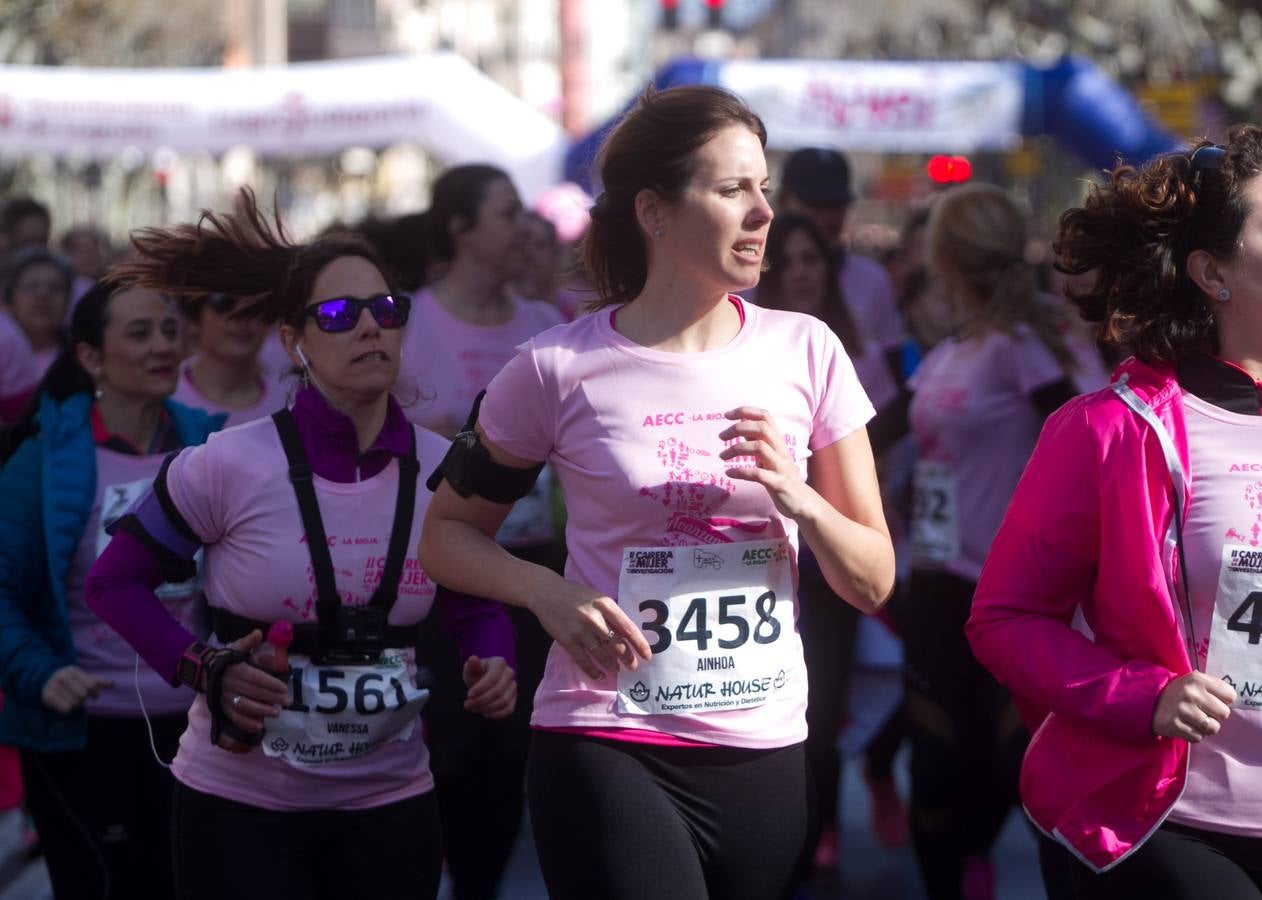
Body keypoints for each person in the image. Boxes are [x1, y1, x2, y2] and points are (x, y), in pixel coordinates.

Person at [418, 84, 894, 900]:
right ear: (655, 211)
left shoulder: (808, 351)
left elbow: (873, 580)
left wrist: (802, 500)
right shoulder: (553, 368)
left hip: (765, 745)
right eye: (732, 189)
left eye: (765, 190)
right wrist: (544, 592)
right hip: (608, 737)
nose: (763, 213)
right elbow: (445, 537)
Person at [83, 191, 518, 900]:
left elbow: (475, 603)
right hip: (240, 806)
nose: (370, 328)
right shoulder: (227, 462)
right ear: (293, 341)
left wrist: (493, 660)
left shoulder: (447, 470)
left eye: (387, 309)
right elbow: (114, 582)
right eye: (340, 315)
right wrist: (202, 667)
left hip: (390, 803)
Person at [968, 129, 1262, 898]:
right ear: (1212, 273)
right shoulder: (1109, 429)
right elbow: (1005, 619)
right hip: (1172, 821)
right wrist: (1147, 695)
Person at [0, 276, 224, 900]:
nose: (162, 346)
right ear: (90, 356)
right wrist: (37, 669)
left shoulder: (212, 450)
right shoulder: (42, 462)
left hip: (198, 720)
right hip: (84, 730)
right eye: (139, 332)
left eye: (169, 330)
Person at [900, 182, 1086, 900]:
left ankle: (981, 856)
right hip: (936, 588)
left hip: (1011, 594)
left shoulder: (1020, 349)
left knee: (1013, 765)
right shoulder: (950, 351)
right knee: (937, 763)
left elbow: (1086, 443)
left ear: (947, 257)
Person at [400, 162, 565, 900]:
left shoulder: (545, 325)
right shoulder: (408, 323)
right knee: (450, 750)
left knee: (510, 753)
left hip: (532, 566)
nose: (522, 226)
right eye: (505, 213)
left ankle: (478, 886)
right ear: (460, 228)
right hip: (434, 570)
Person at [757, 212, 908, 875]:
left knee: (854, 694)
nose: (799, 271)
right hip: (774, 565)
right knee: (805, 703)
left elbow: (887, 463)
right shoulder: (748, 355)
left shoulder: (864, 358)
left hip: (852, 557)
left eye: (810, 259)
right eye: (785, 261)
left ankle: (843, 807)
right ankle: (806, 828)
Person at [778, 148, 908, 384]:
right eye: (816, 205)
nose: (828, 217)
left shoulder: (874, 279)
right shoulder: (747, 281)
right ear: (784, 201)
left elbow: (893, 371)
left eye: (836, 205)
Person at [172, 292, 283, 427]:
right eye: (224, 302)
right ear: (191, 317)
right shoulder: (163, 395)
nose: (242, 314)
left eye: (257, 306)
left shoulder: (290, 400)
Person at [3, 246, 74, 377]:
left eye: (55, 288)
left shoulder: (82, 357)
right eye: (31, 286)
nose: (43, 295)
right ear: (11, 299)